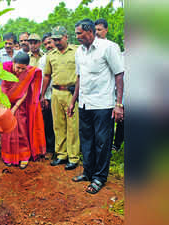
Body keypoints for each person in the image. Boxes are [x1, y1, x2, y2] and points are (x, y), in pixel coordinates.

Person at [69, 19, 124, 194]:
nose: (77, 37)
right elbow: (79, 77)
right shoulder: (79, 51)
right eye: (76, 33)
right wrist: (73, 101)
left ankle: (99, 177)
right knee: (86, 140)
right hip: (84, 103)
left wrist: (118, 104)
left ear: (90, 32)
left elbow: (119, 74)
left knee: (102, 142)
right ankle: (88, 172)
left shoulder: (108, 47)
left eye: (79, 33)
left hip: (103, 103)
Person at [41, 26, 80, 170]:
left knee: (73, 126)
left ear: (66, 36)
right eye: (54, 39)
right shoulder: (50, 55)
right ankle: (61, 154)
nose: (56, 42)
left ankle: (73, 157)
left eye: (59, 39)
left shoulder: (77, 51)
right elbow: (47, 76)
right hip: (56, 92)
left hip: (71, 93)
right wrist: (42, 94)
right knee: (58, 125)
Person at [0, 52, 46, 168]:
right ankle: (8, 156)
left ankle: (24, 156)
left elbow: (24, 92)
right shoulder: (5, 68)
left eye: (23, 68)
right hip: (5, 103)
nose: (20, 71)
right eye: (18, 67)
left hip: (20, 106)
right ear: (13, 63)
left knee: (21, 129)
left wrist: (15, 108)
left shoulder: (28, 73)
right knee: (7, 131)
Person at [95, 18, 125, 151]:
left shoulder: (112, 47)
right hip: (94, 93)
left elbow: (118, 72)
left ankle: (108, 149)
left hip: (110, 92)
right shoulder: (89, 47)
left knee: (109, 124)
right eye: (94, 30)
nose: (97, 32)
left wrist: (118, 99)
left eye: (99, 29)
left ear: (106, 30)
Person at [38, 33, 56, 158]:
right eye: (45, 44)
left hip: (64, 93)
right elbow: (42, 78)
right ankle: (50, 149)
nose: (48, 46)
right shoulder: (43, 59)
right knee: (49, 123)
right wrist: (42, 96)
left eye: (50, 42)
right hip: (48, 95)